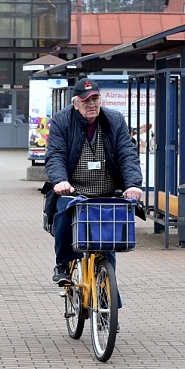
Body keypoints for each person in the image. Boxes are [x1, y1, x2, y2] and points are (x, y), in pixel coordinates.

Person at [44, 77, 143, 285]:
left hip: (106, 190)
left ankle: (107, 292)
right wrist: (60, 181)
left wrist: (133, 184)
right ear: (75, 103)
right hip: (72, 191)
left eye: (95, 99)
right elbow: (56, 155)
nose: (91, 104)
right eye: (86, 100)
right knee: (63, 210)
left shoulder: (114, 120)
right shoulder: (62, 121)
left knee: (108, 242)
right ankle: (62, 264)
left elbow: (127, 153)